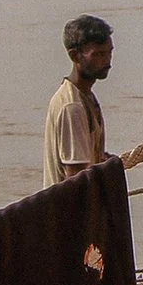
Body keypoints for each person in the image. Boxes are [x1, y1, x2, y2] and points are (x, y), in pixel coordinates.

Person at [44, 15, 114, 187]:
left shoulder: (86, 97)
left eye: (109, 52)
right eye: (98, 54)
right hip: (68, 213)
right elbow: (76, 181)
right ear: (75, 56)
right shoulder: (72, 107)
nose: (107, 61)